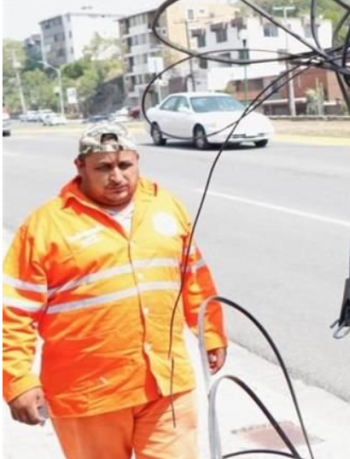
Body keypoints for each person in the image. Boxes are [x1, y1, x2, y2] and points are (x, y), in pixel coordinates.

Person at [3, 122, 227, 459]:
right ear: (80, 167)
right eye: (104, 167)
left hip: (167, 384)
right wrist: (18, 379)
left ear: (137, 159)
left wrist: (210, 333)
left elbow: (194, 277)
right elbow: (15, 310)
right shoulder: (45, 226)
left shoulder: (165, 206)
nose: (117, 177)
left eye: (125, 165)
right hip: (89, 395)